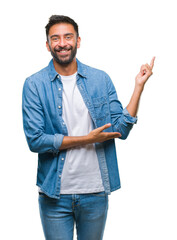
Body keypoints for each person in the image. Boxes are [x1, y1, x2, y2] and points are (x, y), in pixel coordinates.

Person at [22, 15, 155, 240]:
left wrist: (138, 88)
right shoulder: (34, 85)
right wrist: (87, 139)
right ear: (47, 45)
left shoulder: (100, 79)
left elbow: (121, 130)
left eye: (68, 37)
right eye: (55, 38)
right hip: (54, 195)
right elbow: (36, 140)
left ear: (78, 41)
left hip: (95, 192)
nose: (62, 43)